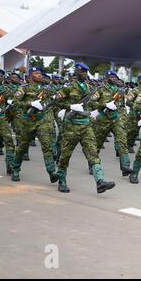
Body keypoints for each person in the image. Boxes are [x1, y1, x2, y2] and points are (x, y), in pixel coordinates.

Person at [54, 62, 115, 194]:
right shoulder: (68, 88)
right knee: (65, 155)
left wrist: (100, 108)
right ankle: (62, 181)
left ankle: (100, 181)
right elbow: (56, 101)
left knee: (93, 153)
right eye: (81, 72)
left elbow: (92, 103)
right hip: (71, 126)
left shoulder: (89, 87)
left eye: (85, 72)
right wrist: (70, 107)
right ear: (76, 72)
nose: (84, 74)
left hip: (86, 125)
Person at [11, 67, 58, 183]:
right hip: (27, 122)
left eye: (40, 73)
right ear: (30, 76)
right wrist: (30, 103)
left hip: (42, 121)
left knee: (46, 146)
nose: (40, 75)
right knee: (22, 147)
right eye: (37, 73)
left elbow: (56, 97)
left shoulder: (45, 88)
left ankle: (51, 172)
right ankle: (15, 169)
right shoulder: (24, 88)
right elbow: (15, 102)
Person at [0, 68, 15, 175]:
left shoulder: (6, 88)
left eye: (1, 76)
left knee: (9, 141)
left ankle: (10, 165)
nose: (0, 78)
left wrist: (11, 101)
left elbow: (11, 100)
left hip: (1, 118)